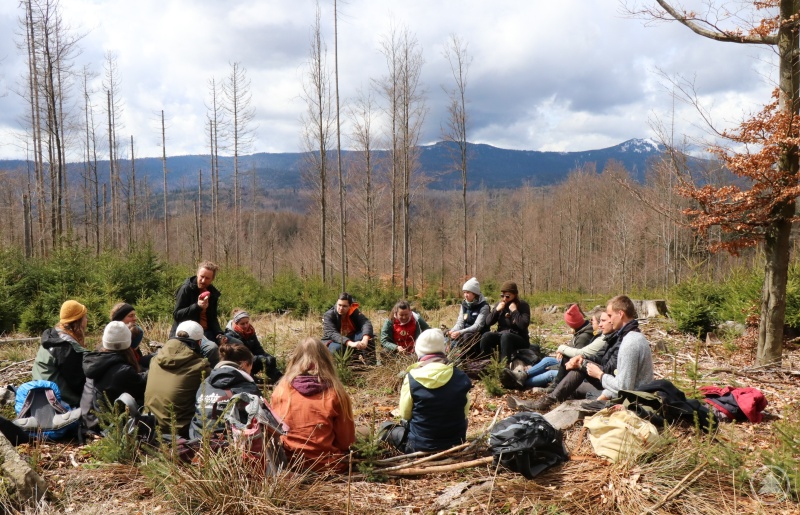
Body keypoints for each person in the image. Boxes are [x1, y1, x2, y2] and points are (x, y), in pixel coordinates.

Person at [523, 295, 653, 413]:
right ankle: (550, 402)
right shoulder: (628, 337)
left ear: (620, 314)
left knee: (580, 372)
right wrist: (585, 361)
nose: (610, 320)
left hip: (633, 402)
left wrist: (599, 375)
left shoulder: (630, 342)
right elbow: (618, 376)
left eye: (610, 315)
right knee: (576, 382)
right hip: (625, 394)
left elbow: (624, 387)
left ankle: (547, 402)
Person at [270, 338, 355, 472]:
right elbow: (346, 442)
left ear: (295, 359)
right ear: (326, 360)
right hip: (326, 466)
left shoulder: (281, 389)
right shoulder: (336, 392)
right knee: (364, 432)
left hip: (289, 464)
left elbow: (275, 431)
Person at [385, 329, 472, 453]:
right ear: (443, 349)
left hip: (419, 446)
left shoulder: (411, 378)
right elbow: (465, 413)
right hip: (455, 444)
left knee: (385, 429)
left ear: (418, 350)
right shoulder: (460, 376)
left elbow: (405, 414)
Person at [145, 320, 211, 438]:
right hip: (179, 431)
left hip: (149, 426)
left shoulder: (154, 360)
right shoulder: (200, 366)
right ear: (199, 343)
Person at [80, 321, 148, 434]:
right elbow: (141, 387)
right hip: (113, 426)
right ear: (128, 342)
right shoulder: (123, 371)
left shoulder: (95, 362)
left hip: (96, 421)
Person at [190, 342, 261, 439]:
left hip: (196, 441)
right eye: (250, 366)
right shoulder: (248, 388)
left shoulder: (205, 383)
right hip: (226, 444)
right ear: (245, 364)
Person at [32, 300, 90, 407]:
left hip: (40, 399)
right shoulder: (65, 349)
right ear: (77, 321)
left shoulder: (53, 337)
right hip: (61, 404)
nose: (87, 320)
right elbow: (79, 384)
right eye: (85, 317)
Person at [171, 261, 226, 366]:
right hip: (189, 333)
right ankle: (211, 377)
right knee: (212, 348)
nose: (203, 280)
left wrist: (219, 333)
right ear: (197, 274)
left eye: (207, 278)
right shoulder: (186, 289)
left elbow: (213, 318)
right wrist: (197, 307)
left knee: (236, 344)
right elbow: (177, 315)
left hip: (208, 332)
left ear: (212, 279)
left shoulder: (212, 293)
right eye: (201, 276)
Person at [224, 309, 283, 383]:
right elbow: (241, 356)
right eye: (242, 324)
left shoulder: (250, 331)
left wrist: (267, 357)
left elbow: (258, 349)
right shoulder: (230, 336)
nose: (245, 326)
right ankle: (254, 381)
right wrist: (260, 359)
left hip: (251, 362)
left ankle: (281, 379)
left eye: (247, 322)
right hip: (239, 365)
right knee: (260, 363)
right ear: (236, 323)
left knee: (267, 361)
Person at [479, 281, 531, 364]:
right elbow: (488, 322)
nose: (504, 299)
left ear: (515, 295)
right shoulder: (500, 305)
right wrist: (496, 311)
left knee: (506, 336)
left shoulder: (522, 305)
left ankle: (504, 365)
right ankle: (486, 363)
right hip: (502, 335)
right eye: (502, 296)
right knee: (486, 336)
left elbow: (523, 325)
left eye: (507, 296)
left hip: (519, 338)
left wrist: (514, 311)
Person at [446, 277, 490, 357]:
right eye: (464, 292)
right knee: (446, 335)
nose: (465, 295)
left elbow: (477, 326)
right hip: (463, 333)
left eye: (468, 292)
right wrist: (453, 331)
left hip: (477, 335)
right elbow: (460, 322)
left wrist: (460, 332)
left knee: (466, 336)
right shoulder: (464, 304)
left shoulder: (484, 307)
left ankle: (467, 360)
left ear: (475, 293)